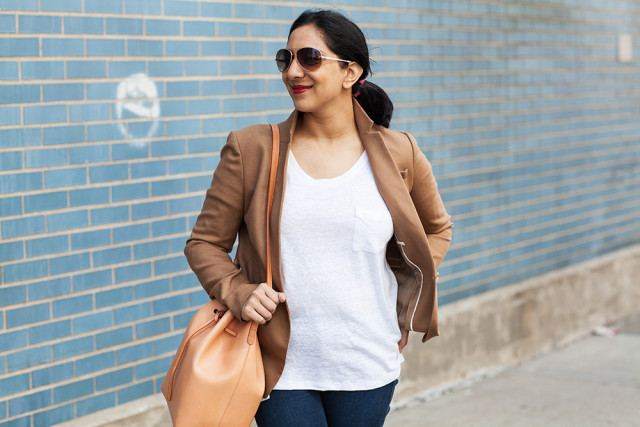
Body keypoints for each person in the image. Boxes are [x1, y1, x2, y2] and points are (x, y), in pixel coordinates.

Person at [184, 9, 453, 427]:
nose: (293, 71)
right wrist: (238, 291)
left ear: (351, 72)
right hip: (276, 360)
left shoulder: (399, 152)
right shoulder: (252, 149)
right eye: (285, 58)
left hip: (366, 358)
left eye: (309, 57)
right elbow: (204, 243)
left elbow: (436, 229)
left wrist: (402, 305)